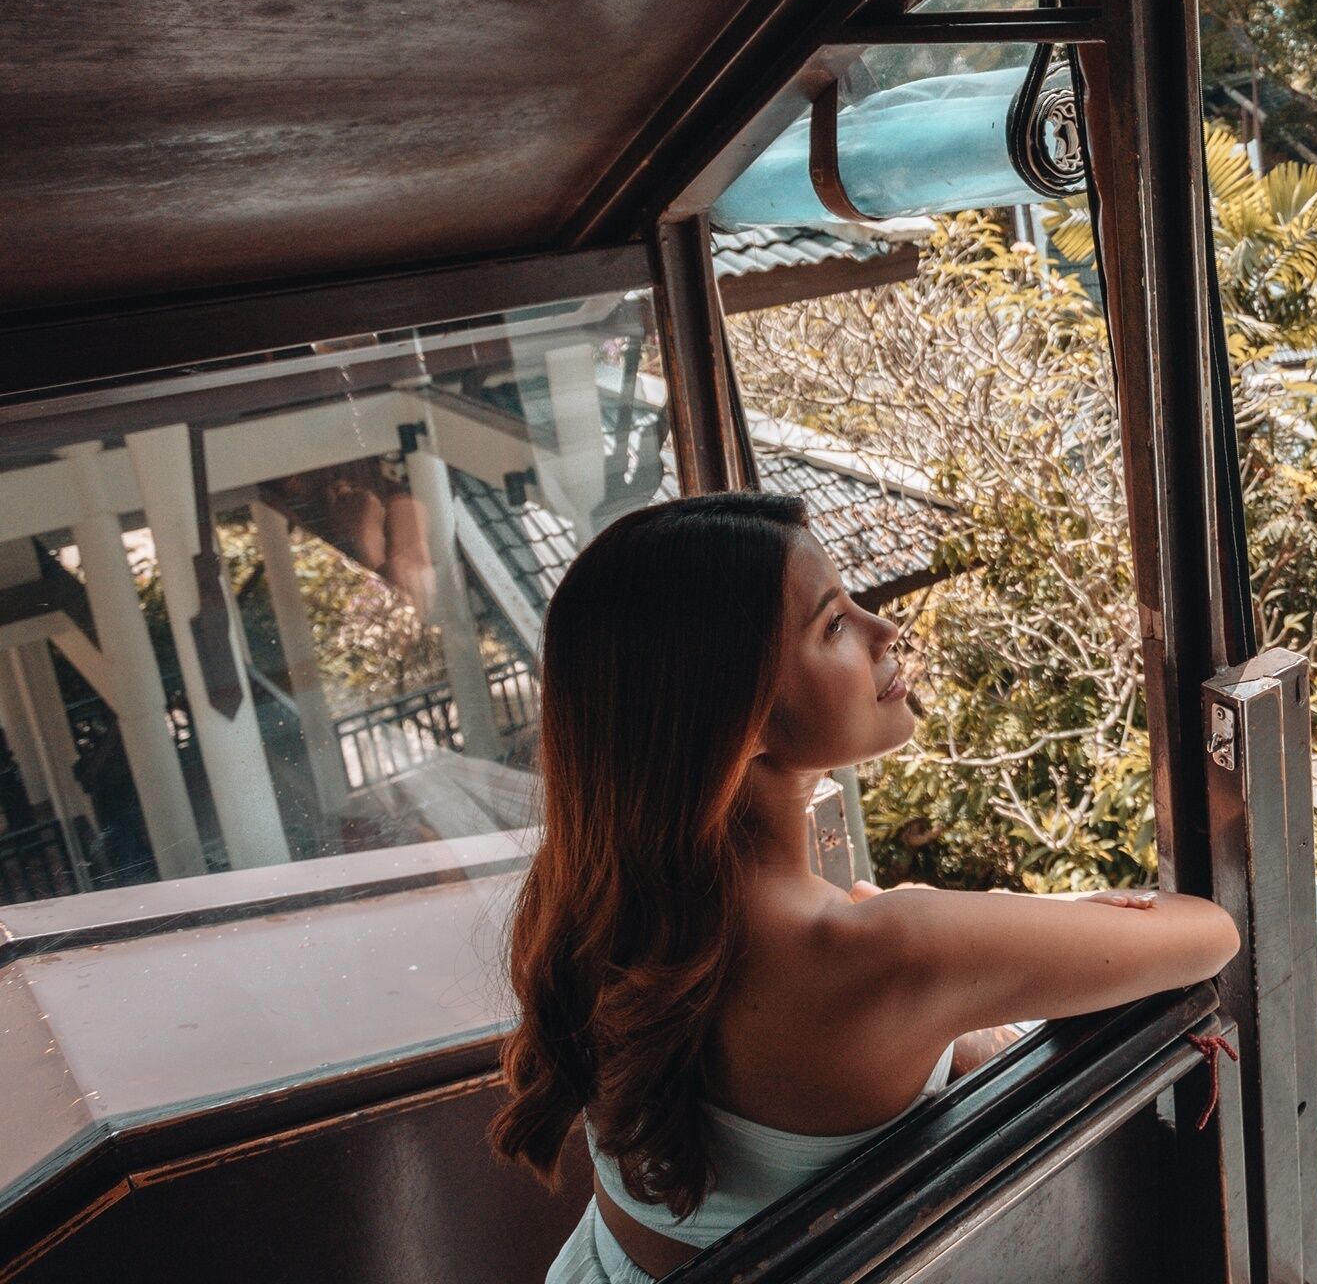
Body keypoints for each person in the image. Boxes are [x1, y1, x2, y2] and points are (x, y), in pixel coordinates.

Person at [494, 493, 1237, 1282]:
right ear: (737, 719)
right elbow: (1207, 932)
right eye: (834, 625)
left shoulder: (598, 903)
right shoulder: (881, 952)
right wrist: (975, 938)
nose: (884, 631)